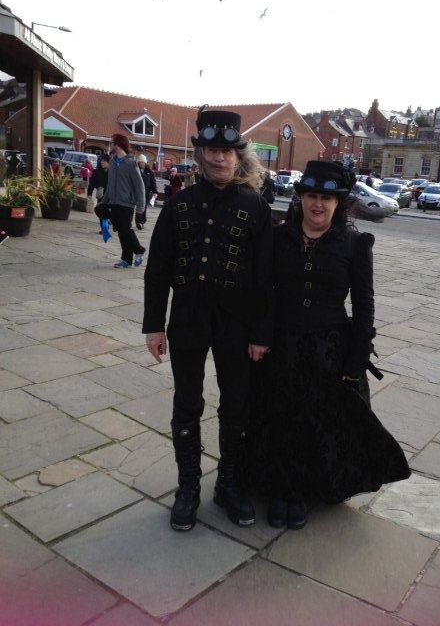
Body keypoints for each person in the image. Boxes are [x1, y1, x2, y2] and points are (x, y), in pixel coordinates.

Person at [241, 160, 410, 530]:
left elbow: (364, 305)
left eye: (326, 198)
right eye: (311, 196)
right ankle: (280, 489)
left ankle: (301, 492)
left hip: (329, 349)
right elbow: (264, 290)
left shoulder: (353, 244)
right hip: (281, 344)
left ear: (338, 202)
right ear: (300, 198)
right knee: (278, 418)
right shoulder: (278, 236)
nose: (318, 204)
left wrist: (355, 359)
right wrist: (260, 336)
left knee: (315, 423)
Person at [143, 108, 273, 532]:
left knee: (236, 405)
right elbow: (158, 266)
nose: (218, 159)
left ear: (238, 155)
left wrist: (259, 333)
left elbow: (264, 278)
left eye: (226, 151)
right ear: (199, 154)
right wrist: (153, 325)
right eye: (210, 151)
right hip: (188, 320)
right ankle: (188, 489)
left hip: (237, 325)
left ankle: (229, 485)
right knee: (187, 402)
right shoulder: (179, 202)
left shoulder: (255, 206)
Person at [97, 134, 145, 268]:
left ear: (118, 144)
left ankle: (139, 251)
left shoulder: (131, 163)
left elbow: (139, 186)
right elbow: (110, 184)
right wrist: (104, 201)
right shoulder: (112, 162)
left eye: (112, 143)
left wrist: (140, 206)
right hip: (113, 202)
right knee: (121, 231)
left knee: (125, 230)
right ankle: (126, 259)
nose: (111, 145)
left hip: (127, 203)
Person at [136, 154, 157, 230]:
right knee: (138, 207)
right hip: (137, 192)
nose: (141, 164)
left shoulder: (150, 172)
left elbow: (153, 182)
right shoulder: (136, 170)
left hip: (146, 192)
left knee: (143, 208)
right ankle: (138, 222)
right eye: (140, 162)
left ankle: (142, 221)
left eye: (143, 162)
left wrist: (155, 192)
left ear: (145, 163)